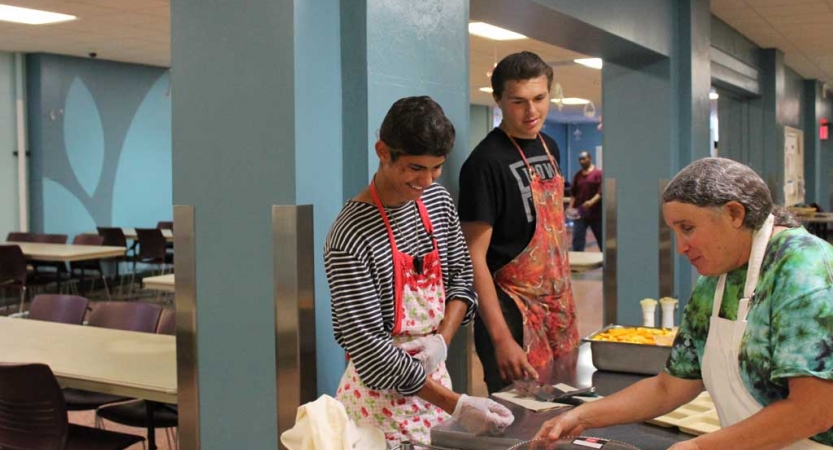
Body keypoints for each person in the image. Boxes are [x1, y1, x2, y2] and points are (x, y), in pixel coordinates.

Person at [536, 157, 833, 449]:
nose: (680, 248)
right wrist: (582, 416)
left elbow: (814, 411)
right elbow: (670, 386)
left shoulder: (803, 269)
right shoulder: (715, 279)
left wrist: (699, 448)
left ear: (734, 214)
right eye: (674, 232)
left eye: (688, 228)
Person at [324, 96, 514, 447]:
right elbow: (370, 352)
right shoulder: (350, 235)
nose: (427, 181)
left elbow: (460, 280)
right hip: (377, 408)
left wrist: (440, 341)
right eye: (415, 168)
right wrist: (458, 404)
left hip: (434, 386)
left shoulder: (438, 203)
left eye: (436, 167)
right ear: (383, 151)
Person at [458, 51, 579, 394]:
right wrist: (501, 338)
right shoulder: (484, 163)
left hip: (558, 305)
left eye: (540, 99)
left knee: (564, 407)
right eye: (518, 101)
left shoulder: (549, 145)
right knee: (521, 420)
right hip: (512, 309)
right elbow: (474, 257)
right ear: (497, 99)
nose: (531, 112)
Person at [569, 151, 603, 251]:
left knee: (601, 239)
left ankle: (607, 262)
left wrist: (590, 202)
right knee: (577, 239)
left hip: (596, 214)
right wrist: (571, 207)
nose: (582, 161)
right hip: (580, 213)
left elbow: (600, 193)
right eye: (580, 159)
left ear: (590, 158)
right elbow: (573, 194)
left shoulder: (599, 174)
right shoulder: (577, 176)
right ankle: (578, 261)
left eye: (584, 159)